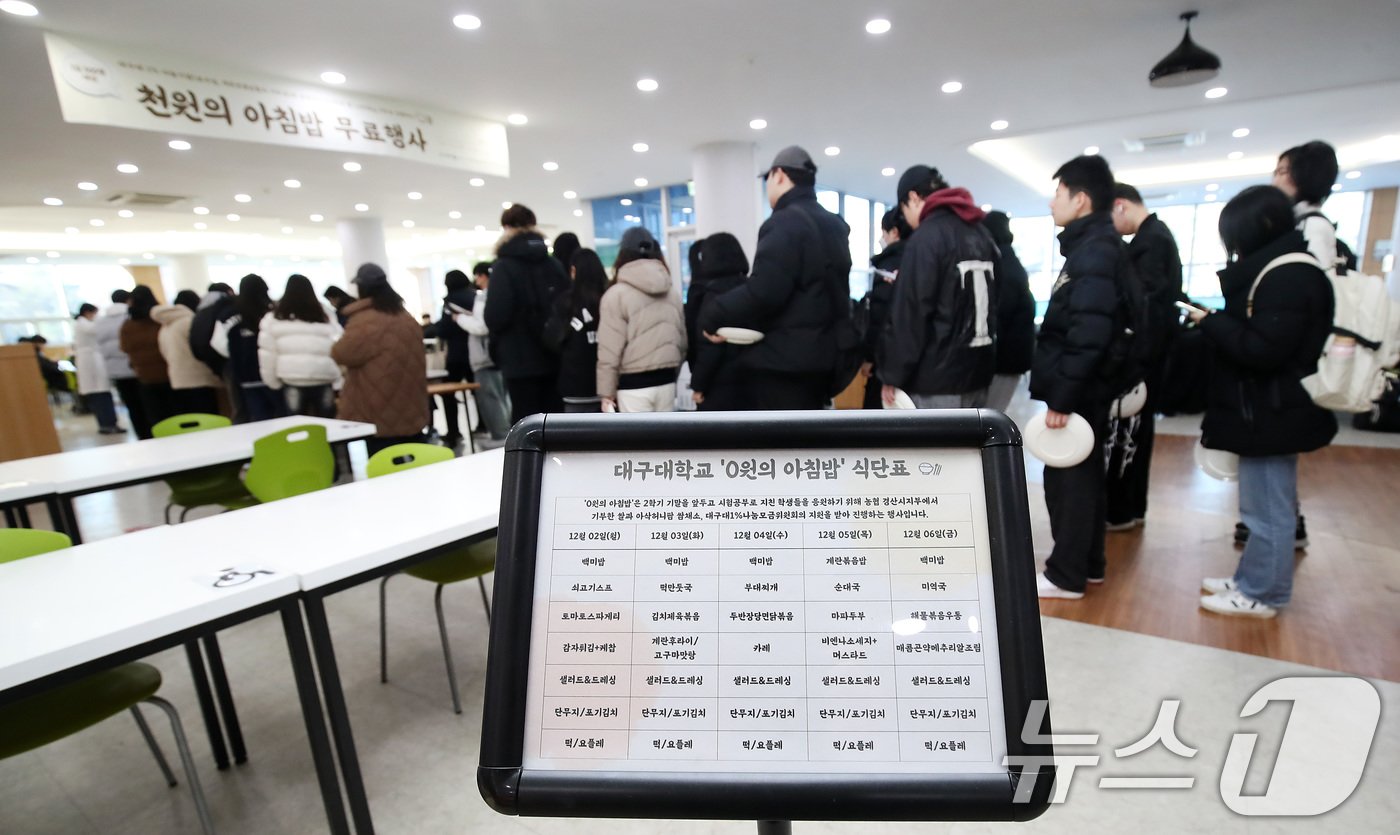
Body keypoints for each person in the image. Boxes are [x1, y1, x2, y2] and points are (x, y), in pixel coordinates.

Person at [1188, 186, 1336, 618]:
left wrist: (1213, 323)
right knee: (1261, 505)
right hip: (1269, 408)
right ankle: (1251, 578)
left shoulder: (1288, 275)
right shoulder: (1285, 268)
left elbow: (1263, 349)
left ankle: (1263, 592)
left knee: (1269, 509)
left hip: (1274, 409)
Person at [1030, 155, 1125, 600]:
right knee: (1082, 477)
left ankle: (1066, 574)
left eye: (1058, 194)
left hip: (1080, 392)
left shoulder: (1096, 253)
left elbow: (1089, 332)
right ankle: (1088, 565)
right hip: (1083, 388)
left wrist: (1062, 398)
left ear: (1080, 199)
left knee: (1069, 480)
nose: (1052, 203)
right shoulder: (1095, 247)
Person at [698, 145, 852, 410]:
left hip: (786, 366)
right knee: (811, 444)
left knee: (784, 448)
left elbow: (765, 291)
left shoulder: (783, 223)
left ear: (779, 175)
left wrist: (714, 314)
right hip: (827, 360)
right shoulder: (834, 225)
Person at [1259, 140, 1340, 550]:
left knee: (1275, 473)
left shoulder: (1314, 228)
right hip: (1283, 368)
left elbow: (1310, 302)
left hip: (1288, 372)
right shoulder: (1299, 225)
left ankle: (1281, 542)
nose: (1276, 179)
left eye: (1282, 171)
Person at [877, 165, 1000, 410]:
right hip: (979, 375)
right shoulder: (983, 235)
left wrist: (892, 375)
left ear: (912, 198)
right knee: (970, 449)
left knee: (934, 449)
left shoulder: (926, 238)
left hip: (936, 382)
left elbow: (910, 316)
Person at [1104, 183, 1185, 531]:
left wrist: (1128, 362)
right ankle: (1130, 509)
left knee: (1128, 435)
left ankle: (1121, 511)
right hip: (1152, 357)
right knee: (1136, 433)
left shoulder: (1150, 243)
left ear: (1120, 205)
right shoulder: (1156, 236)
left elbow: (1143, 312)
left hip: (1141, 362)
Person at [483, 204, 570, 422]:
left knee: (526, 426)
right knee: (555, 424)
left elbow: (496, 316)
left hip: (519, 360)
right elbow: (567, 305)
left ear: (506, 228)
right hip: (554, 355)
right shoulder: (553, 264)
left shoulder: (503, 267)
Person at [332, 263, 430, 455]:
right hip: (412, 404)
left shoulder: (365, 320)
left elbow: (341, 353)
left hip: (379, 409)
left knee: (385, 465)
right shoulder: (406, 317)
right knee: (417, 464)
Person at [596, 228, 687, 412]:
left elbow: (609, 350)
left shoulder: (615, 295)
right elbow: (682, 341)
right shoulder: (672, 293)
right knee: (665, 439)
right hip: (666, 382)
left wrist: (606, 393)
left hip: (632, 385)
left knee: (636, 440)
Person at [259, 274, 343, 418]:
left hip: (292, 378)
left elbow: (268, 353)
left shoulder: (273, 318)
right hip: (324, 376)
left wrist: (272, 381)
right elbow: (339, 344)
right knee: (331, 427)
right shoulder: (324, 315)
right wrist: (339, 379)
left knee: (298, 426)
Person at [689, 232, 752, 411]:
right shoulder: (752, 290)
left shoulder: (711, 296)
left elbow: (709, 347)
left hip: (720, 385)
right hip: (754, 382)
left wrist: (699, 386)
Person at [450, 261, 512, 439]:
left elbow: (482, 326)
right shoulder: (498, 294)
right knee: (501, 397)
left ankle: (500, 435)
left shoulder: (485, 297)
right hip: (497, 355)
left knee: (491, 398)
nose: (477, 280)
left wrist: (460, 318)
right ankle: (504, 432)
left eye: (478, 275)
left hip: (485, 356)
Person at [982, 211, 1036, 413]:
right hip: (1011, 357)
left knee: (990, 417)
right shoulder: (1009, 260)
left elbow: (1000, 315)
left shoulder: (1002, 265)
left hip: (1005, 359)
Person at [859, 209, 909, 409]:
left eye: (884, 232)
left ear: (894, 232)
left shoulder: (888, 265)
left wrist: (869, 357)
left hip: (887, 360)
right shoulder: (919, 258)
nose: (882, 238)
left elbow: (880, 315)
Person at [213, 274, 280, 422]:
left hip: (245, 374)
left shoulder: (228, 315)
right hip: (275, 373)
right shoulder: (272, 312)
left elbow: (218, 343)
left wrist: (236, 355)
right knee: (282, 416)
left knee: (257, 417)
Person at [547, 248, 608, 402]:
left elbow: (551, 340)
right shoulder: (609, 298)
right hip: (608, 384)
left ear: (574, 271)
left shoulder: (565, 302)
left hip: (574, 384)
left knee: (575, 425)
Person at [152, 289, 222, 416]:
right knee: (209, 420)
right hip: (199, 378)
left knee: (191, 422)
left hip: (177, 380)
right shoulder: (190, 321)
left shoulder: (165, 325)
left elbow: (163, 351)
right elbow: (201, 348)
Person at [119, 285, 178, 428]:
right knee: (176, 414)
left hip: (145, 377)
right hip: (168, 373)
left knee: (156, 418)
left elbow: (124, 348)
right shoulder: (160, 320)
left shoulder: (127, 325)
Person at [96, 289, 151, 438]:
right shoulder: (131, 317)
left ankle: (142, 436)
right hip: (135, 368)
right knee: (146, 405)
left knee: (132, 407)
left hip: (116, 371)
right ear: (128, 300)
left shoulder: (100, 322)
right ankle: (151, 434)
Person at [433, 269, 478, 446]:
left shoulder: (450, 303)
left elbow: (444, 330)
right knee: (479, 393)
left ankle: (453, 431)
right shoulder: (476, 297)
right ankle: (482, 425)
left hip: (457, 354)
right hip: (476, 353)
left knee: (448, 393)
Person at [188, 282, 238, 418]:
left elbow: (195, 344)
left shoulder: (199, 312)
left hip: (212, 366)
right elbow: (219, 342)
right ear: (228, 292)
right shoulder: (225, 310)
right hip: (229, 364)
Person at [72, 303, 123, 434]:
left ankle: (109, 423)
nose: (96, 316)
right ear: (88, 313)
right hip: (92, 363)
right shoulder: (83, 324)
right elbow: (97, 330)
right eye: (95, 313)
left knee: (101, 393)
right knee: (100, 394)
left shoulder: (83, 324)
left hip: (93, 362)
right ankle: (107, 424)